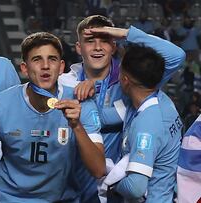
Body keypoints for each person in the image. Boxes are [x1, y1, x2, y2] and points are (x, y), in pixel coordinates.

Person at [58, 15, 185, 202]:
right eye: (90, 41)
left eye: (105, 40)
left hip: (117, 191)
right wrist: (90, 91)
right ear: (78, 47)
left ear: (114, 46)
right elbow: (99, 118)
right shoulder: (65, 84)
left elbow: (177, 56)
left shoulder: (137, 77)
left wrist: (124, 33)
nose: (98, 47)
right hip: (74, 188)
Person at [0, 32, 105, 202]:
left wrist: (76, 125)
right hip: (9, 198)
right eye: (37, 59)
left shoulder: (80, 103)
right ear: (24, 68)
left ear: (61, 67)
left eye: (52, 59)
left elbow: (98, 170)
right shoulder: (0, 105)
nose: (45, 65)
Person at [112, 42, 183, 202]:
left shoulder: (147, 124)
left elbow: (136, 188)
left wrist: (110, 182)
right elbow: (105, 117)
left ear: (125, 80)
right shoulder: (161, 100)